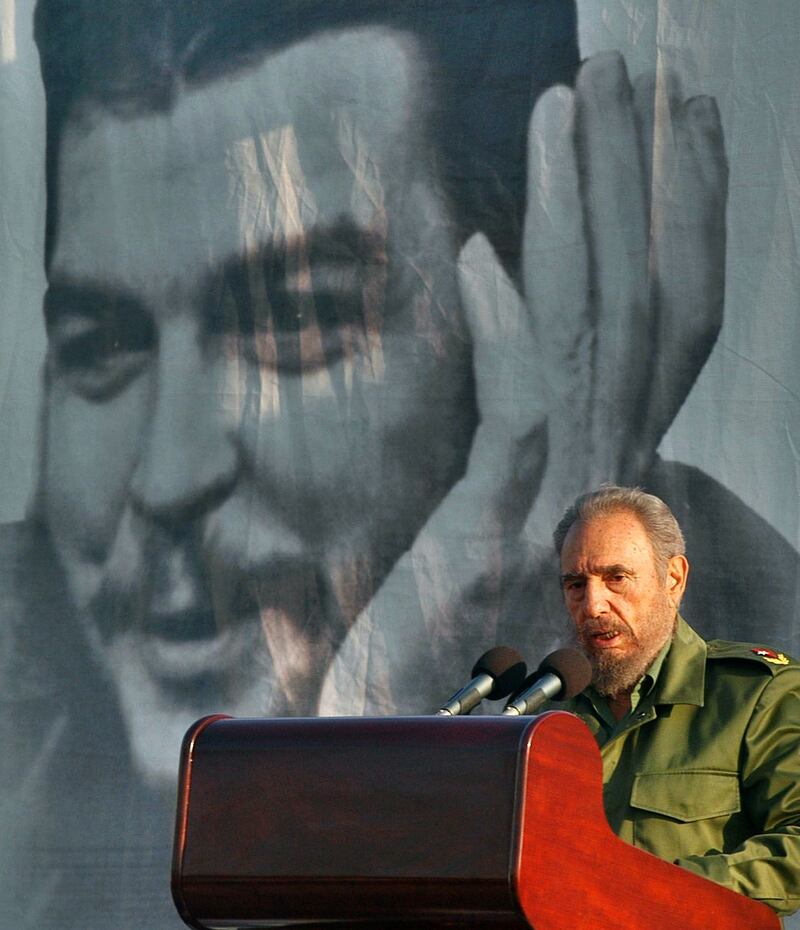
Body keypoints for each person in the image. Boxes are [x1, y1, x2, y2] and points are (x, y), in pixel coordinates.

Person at [0, 1, 798, 927]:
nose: (170, 474)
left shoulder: (758, 675)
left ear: (522, 323)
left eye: (297, 322)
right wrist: (387, 714)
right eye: (103, 348)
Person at [551, 485, 800, 919]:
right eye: (576, 584)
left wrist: (650, 888)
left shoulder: (755, 695)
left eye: (616, 578)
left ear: (674, 578)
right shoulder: (546, 714)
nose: (594, 604)